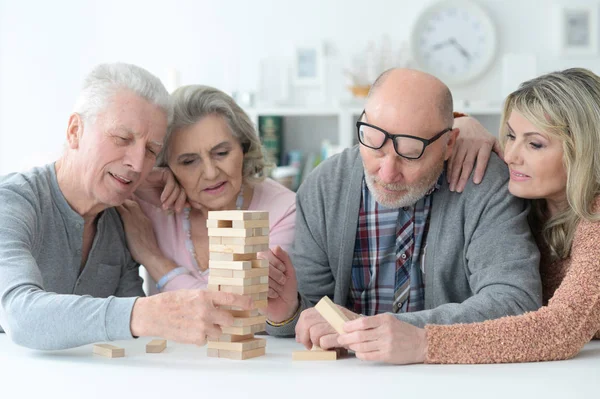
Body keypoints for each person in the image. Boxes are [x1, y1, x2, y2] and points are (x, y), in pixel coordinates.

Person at [265, 68, 543, 349]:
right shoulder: (325, 186)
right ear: (361, 121)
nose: (387, 174)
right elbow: (312, 316)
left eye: (411, 153)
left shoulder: (484, 182)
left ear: (449, 144)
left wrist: (404, 332)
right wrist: (288, 312)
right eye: (374, 143)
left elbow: (515, 302)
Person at [341, 67, 600, 364]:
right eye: (511, 136)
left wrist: (425, 343)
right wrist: (464, 125)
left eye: (535, 144)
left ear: (584, 151)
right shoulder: (532, 201)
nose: (511, 154)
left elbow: (560, 330)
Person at [0, 63, 253, 350]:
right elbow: (19, 315)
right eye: (122, 139)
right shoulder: (12, 202)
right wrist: (144, 313)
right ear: (74, 131)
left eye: (151, 151)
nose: (136, 164)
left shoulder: (121, 215)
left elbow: (132, 343)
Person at [117, 85, 295, 296]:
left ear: (244, 147)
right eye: (189, 161)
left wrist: (152, 258)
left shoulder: (285, 210)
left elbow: (237, 310)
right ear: (165, 165)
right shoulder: (150, 205)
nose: (211, 173)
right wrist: (140, 183)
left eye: (221, 153)